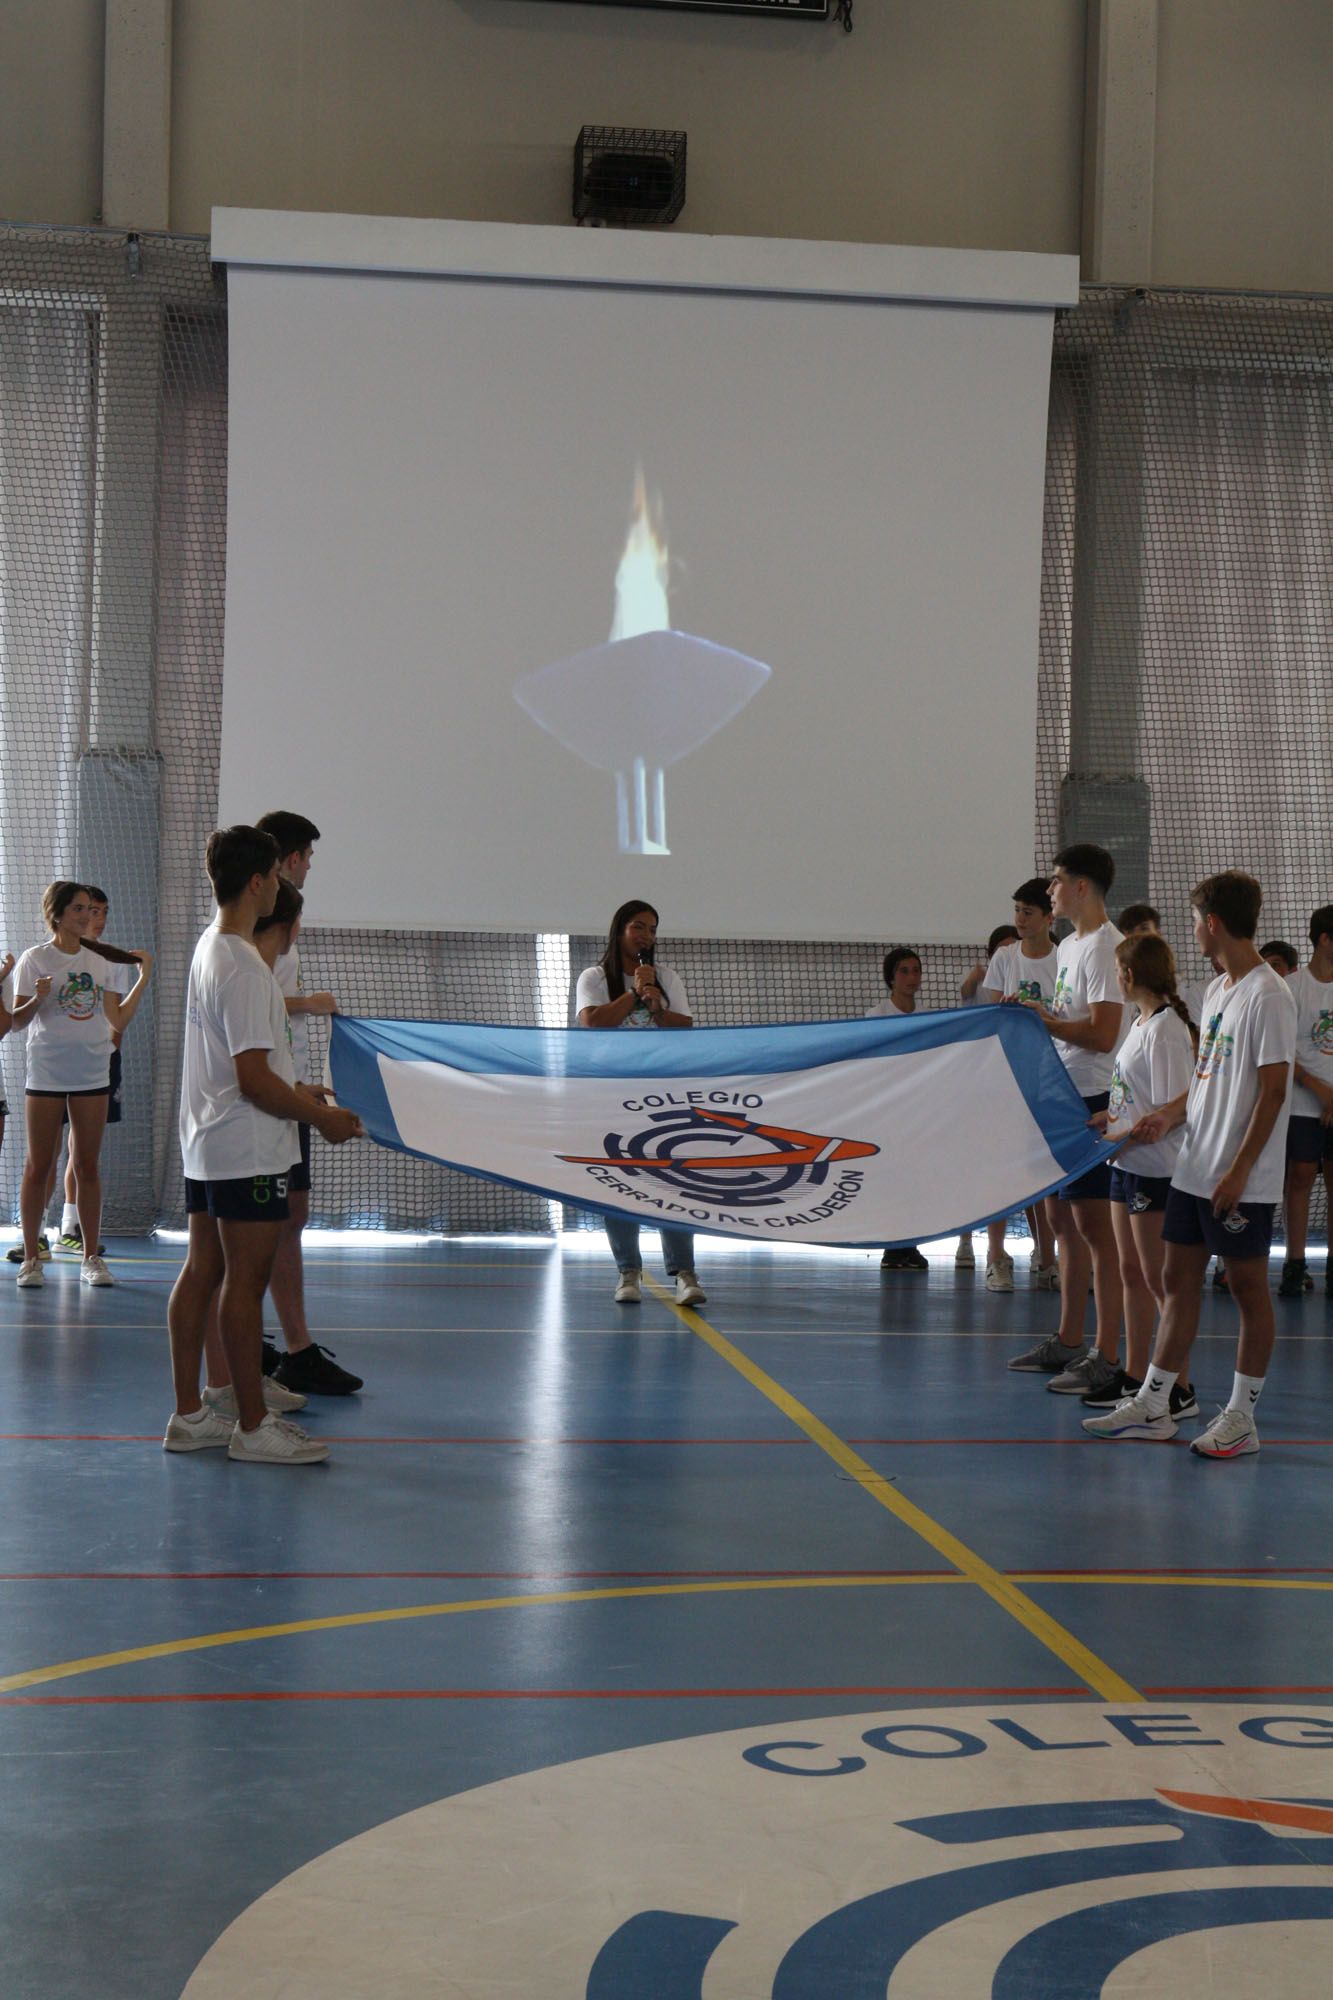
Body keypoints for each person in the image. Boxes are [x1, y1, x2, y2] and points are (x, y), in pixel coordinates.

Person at [164, 827, 361, 1464]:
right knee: (243, 1285)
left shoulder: (210, 947)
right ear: (257, 882)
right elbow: (251, 1082)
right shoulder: (246, 967)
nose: (282, 884)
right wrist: (317, 1116)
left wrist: (296, 1083)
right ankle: (252, 1427)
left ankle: (192, 1415)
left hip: (207, 1140)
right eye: (276, 873)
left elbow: (239, 1060)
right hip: (245, 1147)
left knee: (203, 1272)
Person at [1084, 870, 1296, 1456]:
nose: (1192, 934)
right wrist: (1168, 1117)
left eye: (1194, 920)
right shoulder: (1221, 990)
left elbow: (1273, 1092)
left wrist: (1238, 1171)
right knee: (1176, 1281)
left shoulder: (1268, 995)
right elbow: (1208, 1081)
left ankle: (1241, 1417)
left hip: (1238, 1179)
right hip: (1193, 1168)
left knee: (1251, 1290)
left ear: (1212, 923)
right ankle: (1155, 1405)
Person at [1007, 844, 1126, 1393]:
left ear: (1081, 887)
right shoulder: (1073, 946)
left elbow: (1102, 1035)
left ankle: (1106, 1353)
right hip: (1063, 1092)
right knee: (1062, 1223)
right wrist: (1039, 1018)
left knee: (1098, 1231)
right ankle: (1069, 1338)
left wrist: (1047, 1024)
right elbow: (1072, 1017)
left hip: (1095, 1100)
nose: (1049, 890)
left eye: (1056, 881)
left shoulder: (1105, 948)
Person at [253, 809, 362, 1396]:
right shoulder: (248, 931)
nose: (310, 867)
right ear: (290, 859)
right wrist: (310, 1003)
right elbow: (258, 1002)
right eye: (308, 857)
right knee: (246, 1231)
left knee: (291, 1217)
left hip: (284, 1083)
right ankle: (253, 1352)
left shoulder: (280, 917)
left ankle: (290, 1346)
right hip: (260, 1096)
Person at [10, 883, 152, 1288]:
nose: (88, 916)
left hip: (92, 1072)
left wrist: (143, 979)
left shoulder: (104, 960)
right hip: (47, 1072)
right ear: (57, 915)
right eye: (79, 909)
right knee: (39, 1164)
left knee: (87, 1165)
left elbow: (116, 1021)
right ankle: (32, 1259)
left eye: (91, 910)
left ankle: (91, 1257)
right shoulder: (35, 959)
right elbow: (18, 1022)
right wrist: (37, 999)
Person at [1081, 932, 1199, 1419]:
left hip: (1155, 1170)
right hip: (1123, 1164)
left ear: (1130, 974)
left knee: (1159, 1280)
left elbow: (1179, 1106)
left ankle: (1179, 1387)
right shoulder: (1139, 1021)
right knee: (1130, 1272)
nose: (1115, 978)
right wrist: (1110, 1120)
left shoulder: (1167, 1029)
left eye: (1117, 970)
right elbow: (1136, 1097)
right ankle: (1135, 1375)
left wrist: (1128, 1133)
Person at [575, 899, 705, 1307]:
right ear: (619, 931)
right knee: (621, 1180)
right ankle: (628, 1271)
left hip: (663, 1092)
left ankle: (684, 1272)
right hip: (612, 1093)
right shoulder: (595, 977)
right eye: (638, 927)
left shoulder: (665, 976)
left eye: (652, 929)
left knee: (675, 1176)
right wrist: (634, 993)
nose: (646, 936)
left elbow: (683, 1027)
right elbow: (592, 1022)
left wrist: (654, 1001)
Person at [974, 878, 1061, 1291]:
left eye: (1028, 912)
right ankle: (996, 1256)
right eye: (1017, 911)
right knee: (1000, 1169)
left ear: (1048, 917)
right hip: (1007, 1079)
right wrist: (1008, 1013)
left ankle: (1048, 1255)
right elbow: (989, 1019)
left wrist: (1042, 1012)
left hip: (1051, 1080)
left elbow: (1069, 1019)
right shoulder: (1006, 958)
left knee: (1045, 1174)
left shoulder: (1064, 960)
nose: (1020, 919)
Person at [51, 886, 131, 1256]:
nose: (96, 919)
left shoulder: (111, 962)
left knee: (82, 1153)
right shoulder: (50, 958)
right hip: (54, 1065)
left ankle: (72, 1227)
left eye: (101, 911)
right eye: (88, 910)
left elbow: (117, 1023)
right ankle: (35, 1233)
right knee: (47, 1150)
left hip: (99, 1064)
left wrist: (102, 1047)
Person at [1276, 904, 1333, 1298]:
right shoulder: (1292, 988)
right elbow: (1282, 1052)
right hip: (1301, 1103)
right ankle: (1295, 1265)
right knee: (1298, 1178)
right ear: (1325, 940)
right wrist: (1318, 1088)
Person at [868, 947, 930, 1273]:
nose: (911, 977)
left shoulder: (927, 1018)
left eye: (916, 971)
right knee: (890, 1178)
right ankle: (891, 1247)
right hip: (886, 1111)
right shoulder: (875, 1016)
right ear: (891, 977)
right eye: (905, 971)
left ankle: (910, 1245)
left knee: (913, 1178)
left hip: (916, 1111)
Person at [959, 924, 1019, 1005]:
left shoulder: (1025, 977)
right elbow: (965, 993)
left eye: (1012, 949)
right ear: (991, 955)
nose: (1006, 954)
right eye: (1002, 950)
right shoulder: (977, 975)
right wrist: (972, 980)